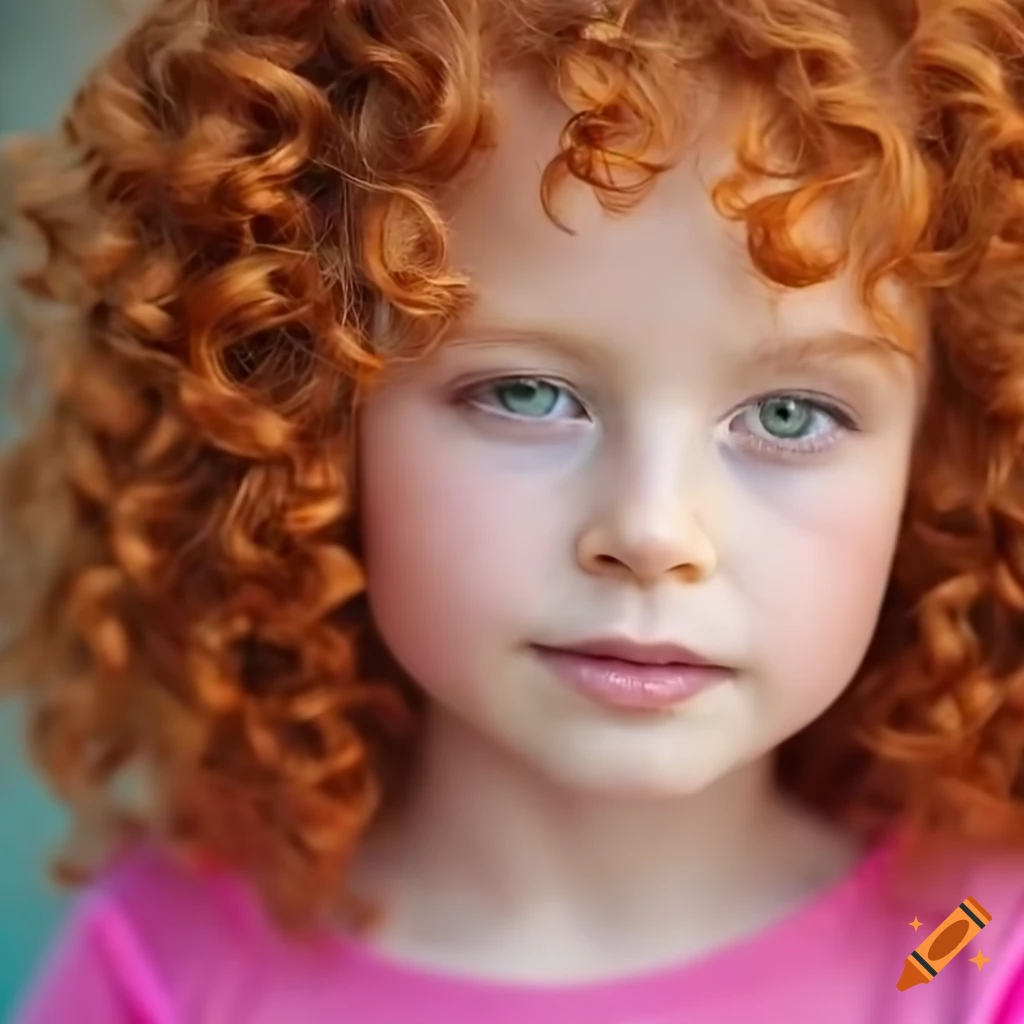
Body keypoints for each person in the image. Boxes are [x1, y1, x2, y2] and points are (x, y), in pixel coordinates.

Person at [3, 0, 1024, 1020]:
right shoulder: (173, 969)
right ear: (302, 413)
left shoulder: (962, 946)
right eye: (526, 395)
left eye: (792, 413)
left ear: (943, 453)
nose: (651, 531)